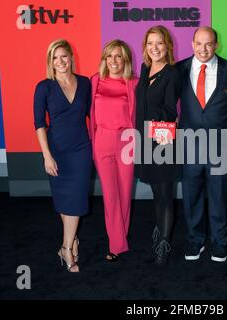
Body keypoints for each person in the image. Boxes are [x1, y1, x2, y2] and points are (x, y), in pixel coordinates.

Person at [177, 26, 227, 262]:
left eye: (209, 43)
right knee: (191, 196)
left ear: (216, 45)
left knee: (220, 196)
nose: (204, 49)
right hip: (189, 143)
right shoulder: (178, 70)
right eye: (199, 44)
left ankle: (219, 243)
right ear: (192, 44)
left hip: (221, 144)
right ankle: (195, 241)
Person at [33, 39, 92, 273]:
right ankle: (73, 241)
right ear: (50, 61)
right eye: (55, 58)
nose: (60, 62)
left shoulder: (85, 83)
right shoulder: (44, 87)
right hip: (56, 151)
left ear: (71, 57)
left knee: (76, 201)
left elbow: (94, 114)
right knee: (65, 201)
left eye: (64, 56)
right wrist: (47, 156)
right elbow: (39, 124)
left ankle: (66, 247)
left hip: (81, 151)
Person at [134, 25, 181, 266]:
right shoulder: (144, 69)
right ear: (145, 47)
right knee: (155, 191)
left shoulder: (172, 73)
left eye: (159, 43)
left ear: (167, 46)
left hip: (162, 141)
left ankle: (164, 241)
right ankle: (160, 228)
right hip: (144, 140)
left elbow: (171, 110)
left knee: (165, 193)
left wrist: (154, 121)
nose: (155, 48)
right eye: (150, 43)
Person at [89, 40, 138, 262]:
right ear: (104, 59)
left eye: (118, 56)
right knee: (110, 195)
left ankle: (120, 236)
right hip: (102, 141)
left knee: (125, 193)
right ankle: (116, 244)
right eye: (109, 56)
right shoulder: (94, 81)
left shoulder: (134, 83)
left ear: (125, 59)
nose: (114, 61)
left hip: (127, 141)